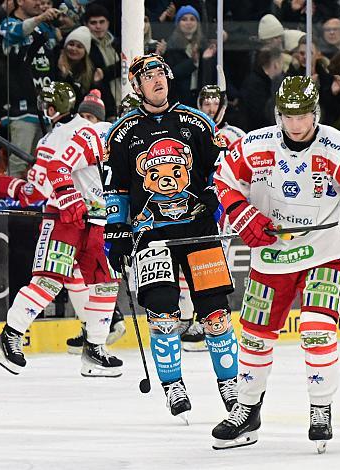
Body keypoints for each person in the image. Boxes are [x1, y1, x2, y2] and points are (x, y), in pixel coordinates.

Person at [211, 75, 340, 452]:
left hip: (323, 254)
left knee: (316, 330)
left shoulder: (337, 147)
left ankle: (320, 408)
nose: (296, 125)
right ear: (279, 115)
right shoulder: (254, 144)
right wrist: (243, 215)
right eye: (288, 116)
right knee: (254, 336)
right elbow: (224, 180)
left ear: (315, 112)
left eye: (303, 116)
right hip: (270, 256)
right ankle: (247, 410)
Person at [103, 53, 239, 423]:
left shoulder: (197, 123)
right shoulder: (123, 132)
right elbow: (114, 187)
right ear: (136, 86)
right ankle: (173, 385)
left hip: (198, 230)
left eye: (160, 72)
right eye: (147, 76)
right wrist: (115, 231)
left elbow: (220, 171)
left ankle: (229, 383)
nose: (156, 79)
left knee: (216, 314)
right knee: (163, 314)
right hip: (152, 233)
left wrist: (215, 199)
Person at [0, 81, 124, 378]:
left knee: (106, 282)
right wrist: (70, 199)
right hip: (66, 219)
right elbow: (57, 168)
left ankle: (95, 349)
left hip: (99, 223)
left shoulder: (136, 144)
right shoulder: (94, 134)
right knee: (50, 280)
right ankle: (9, 336)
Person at [0, 0, 61, 174]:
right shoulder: (7, 23)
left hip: (46, 107)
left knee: (46, 163)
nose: (39, 2)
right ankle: (9, 198)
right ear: (19, 1)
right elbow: (18, 32)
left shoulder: (43, 28)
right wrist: (40, 18)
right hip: (22, 108)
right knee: (19, 161)